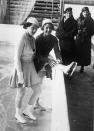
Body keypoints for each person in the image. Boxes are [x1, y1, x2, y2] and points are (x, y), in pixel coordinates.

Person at [33, 18, 77, 110]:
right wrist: (47, 60)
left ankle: (36, 103)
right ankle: (35, 104)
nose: (48, 30)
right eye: (46, 28)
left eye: (50, 28)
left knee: (40, 83)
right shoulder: (38, 39)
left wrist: (59, 58)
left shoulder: (54, 39)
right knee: (38, 84)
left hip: (45, 60)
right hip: (36, 62)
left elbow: (57, 51)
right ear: (43, 28)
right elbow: (36, 55)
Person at [9, 17, 42, 123]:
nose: (34, 30)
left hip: (30, 66)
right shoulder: (22, 38)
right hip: (21, 67)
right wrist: (20, 75)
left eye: (36, 28)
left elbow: (33, 53)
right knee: (21, 92)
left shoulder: (32, 38)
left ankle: (27, 110)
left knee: (37, 90)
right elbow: (16, 57)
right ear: (27, 26)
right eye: (33, 28)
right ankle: (17, 114)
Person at [75, 7, 94, 73]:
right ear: (82, 12)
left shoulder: (91, 20)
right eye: (84, 12)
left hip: (86, 40)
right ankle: (75, 66)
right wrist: (78, 31)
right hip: (78, 39)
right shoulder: (78, 19)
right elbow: (75, 27)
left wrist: (87, 32)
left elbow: (92, 31)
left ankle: (82, 67)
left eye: (86, 12)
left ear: (88, 12)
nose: (85, 13)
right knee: (77, 53)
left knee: (84, 54)